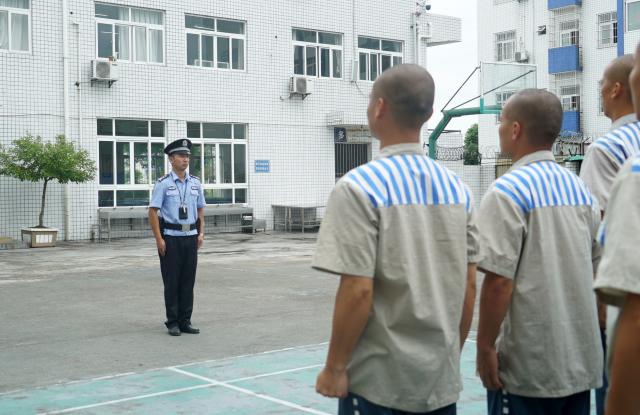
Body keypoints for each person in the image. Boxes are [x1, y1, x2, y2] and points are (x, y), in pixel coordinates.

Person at [312, 64, 480, 415]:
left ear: (379, 108)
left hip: (378, 384)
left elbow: (358, 289)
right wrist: (450, 356)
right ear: (430, 114)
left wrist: (335, 367)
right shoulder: (458, 191)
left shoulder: (359, 187)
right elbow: (468, 287)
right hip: (438, 383)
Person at [475, 89, 602, 415]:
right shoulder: (580, 190)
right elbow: (599, 272)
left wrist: (486, 346)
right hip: (578, 362)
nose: (499, 128)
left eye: (501, 121)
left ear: (515, 129)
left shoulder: (506, 191)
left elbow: (499, 283)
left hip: (527, 367)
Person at [579, 53, 640, 415]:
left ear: (619, 88)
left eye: (602, 83)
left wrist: (603, 300)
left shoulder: (609, 151)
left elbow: (597, 225)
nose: (600, 90)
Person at [149, 139, 205, 336]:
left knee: (188, 282)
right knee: (172, 281)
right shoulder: (163, 184)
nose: (185, 159)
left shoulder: (195, 183)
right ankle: (172, 321)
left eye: (187, 156)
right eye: (181, 156)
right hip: (171, 238)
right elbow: (153, 211)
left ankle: (185, 321)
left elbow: (200, 209)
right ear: (171, 159)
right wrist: (159, 239)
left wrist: (201, 232)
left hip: (190, 237)